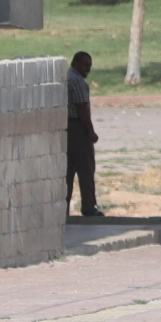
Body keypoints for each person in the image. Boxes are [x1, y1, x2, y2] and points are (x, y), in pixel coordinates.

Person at [67, 51, 102, 217]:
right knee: (86, 170)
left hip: (65, 129)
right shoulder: (78, 82)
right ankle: (89, 207)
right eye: (84, 65)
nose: (87, 69)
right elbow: (82, 108)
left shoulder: (65, 77)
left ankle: (63, 208)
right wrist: (90, 131)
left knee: (67, 171)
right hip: (77, 129)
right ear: (75, 63)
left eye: (89, 66)